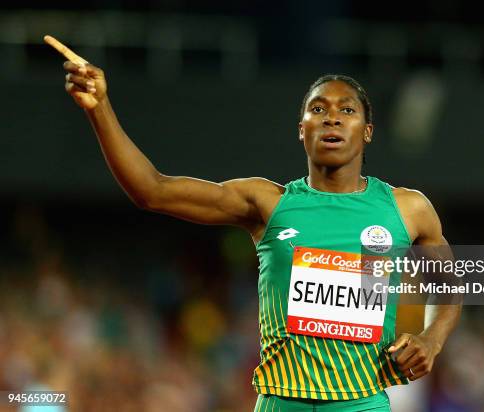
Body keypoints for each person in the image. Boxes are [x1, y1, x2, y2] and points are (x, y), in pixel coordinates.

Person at [45, 34, 462, 411]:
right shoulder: (267, 202)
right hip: (280, 403)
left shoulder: (408, 209)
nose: (332, 118)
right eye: (318, 109)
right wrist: (100, 110)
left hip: (362, 402)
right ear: (302, 130)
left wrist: (432, 338)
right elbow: (152, 190)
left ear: (367, 131)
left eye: (346, 110)